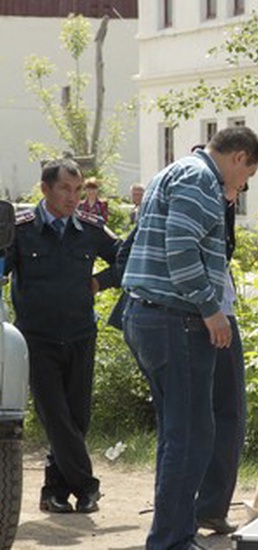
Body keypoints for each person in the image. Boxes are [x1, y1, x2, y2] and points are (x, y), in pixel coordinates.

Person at [121, 126, 258, 550]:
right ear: (239, 157)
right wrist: (210, 308)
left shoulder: (175, 171)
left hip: (151, 315)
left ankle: (174, 532)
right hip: (176, 320)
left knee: (179, 434)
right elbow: (181, 250)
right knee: (191, 437)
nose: (242, 185)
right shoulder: (201, 179)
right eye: (248, 174)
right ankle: (170, 540)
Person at [5, 158, 120, 514]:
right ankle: (87, 486)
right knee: (55, 414)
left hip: (80, 335)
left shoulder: (89, 228)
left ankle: (54, 492)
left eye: (77, 189)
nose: (73, 197)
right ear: (45, 189)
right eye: (64, 189)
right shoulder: (22, 230)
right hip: (36, 339)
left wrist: (102, 281)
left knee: (76, 417)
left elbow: (129, 256)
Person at [194, 190, 246, 536]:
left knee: (222, 414)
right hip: (207, 315)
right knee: (220, 413)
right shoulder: (198, 199)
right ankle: (204, 508)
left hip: (213, 312)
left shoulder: (210, 203)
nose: (238, 192)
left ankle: (209, 507)